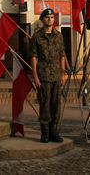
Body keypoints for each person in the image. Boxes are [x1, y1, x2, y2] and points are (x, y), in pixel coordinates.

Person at [30, 8, 68, 143]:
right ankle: (45, 133)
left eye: (52, 17)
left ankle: (54, 132)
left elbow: (62, 55)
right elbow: (34, 56)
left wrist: (63, 74)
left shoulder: (59, 36)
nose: (50, 19)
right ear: (42, 20)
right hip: (43, 75)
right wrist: (35, 75)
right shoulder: (37, 36)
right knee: (45, 105)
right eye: (47, 17)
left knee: (56, 105)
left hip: (57, 75)